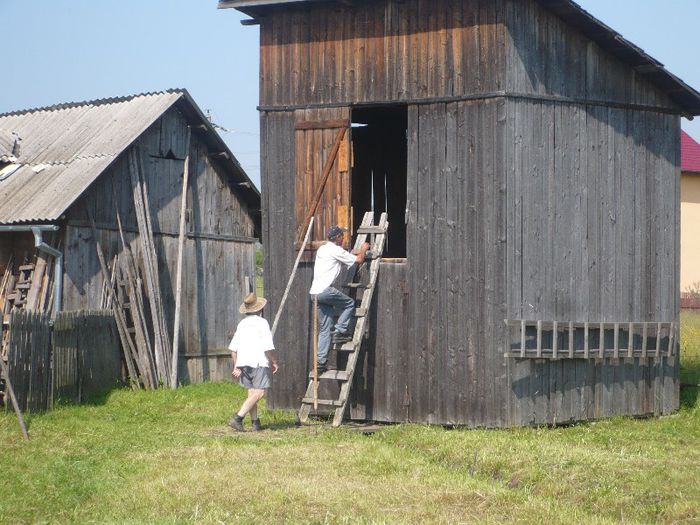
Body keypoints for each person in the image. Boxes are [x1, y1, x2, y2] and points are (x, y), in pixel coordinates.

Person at [309, 225, 370, 374]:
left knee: (324, 330)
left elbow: (342, 259)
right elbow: (360, 260)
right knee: (349, 303)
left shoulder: (323, 249)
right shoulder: (336, 250)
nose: (343, 238)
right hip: (325, 291)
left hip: (315, 294)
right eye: (341, 236)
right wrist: (363, 248)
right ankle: (340, 332)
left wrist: (349, 254)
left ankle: (321, 364)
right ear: (336, 238)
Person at [228, 291, 279, 432]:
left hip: (243, 362)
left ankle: (255, 422)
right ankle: (238, 418)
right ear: (259, 308)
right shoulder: (262, 323)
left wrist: (236, 365)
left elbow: (233, 349)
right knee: (259, 393)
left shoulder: (242, 324)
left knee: (252, 394)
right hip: (258, 362)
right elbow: (268, 346)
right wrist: (274, 361)